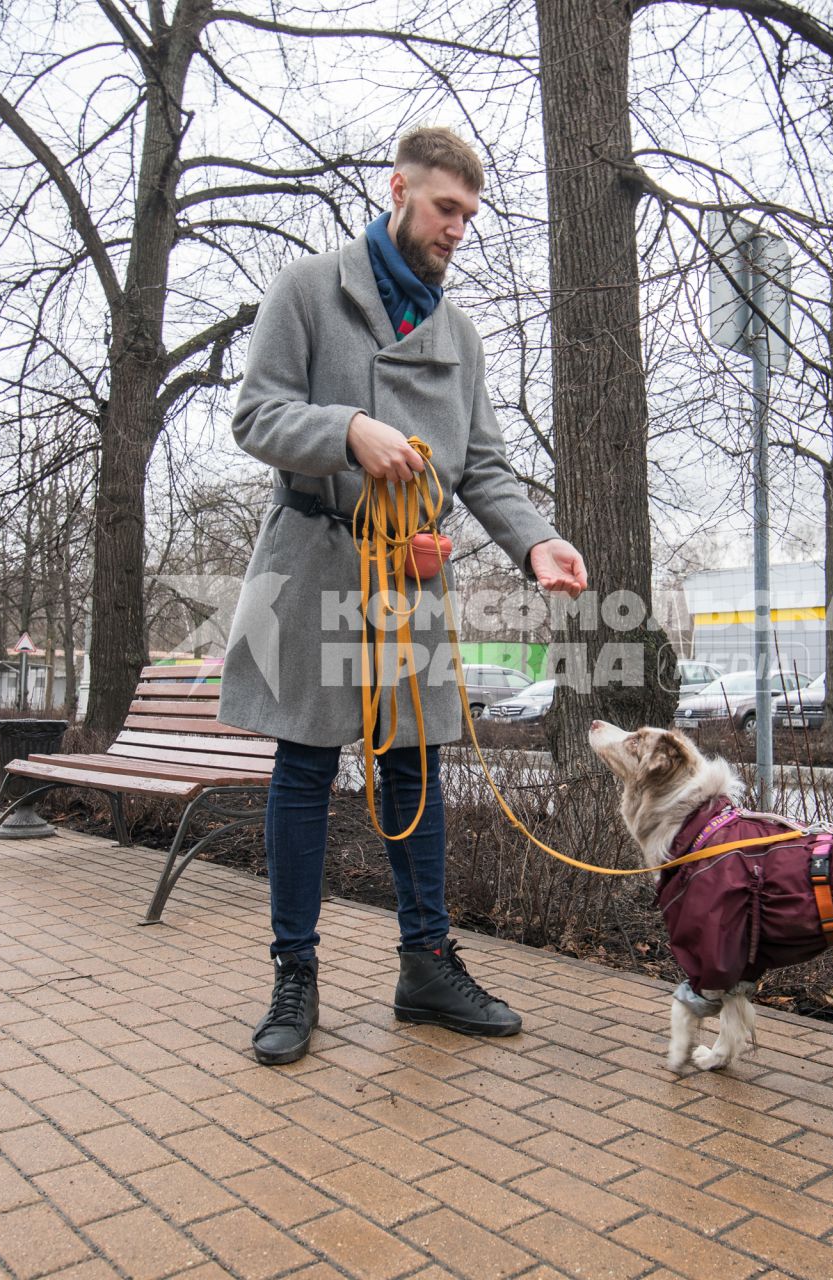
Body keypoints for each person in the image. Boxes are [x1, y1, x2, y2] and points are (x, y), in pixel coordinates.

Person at [221, 127, 588, 1066]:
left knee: (416, 768)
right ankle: (293, 976)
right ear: (399, 192)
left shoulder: (458, 335)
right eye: (443, 209)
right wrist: (348, 430)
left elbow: (488, 468)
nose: (457, 229)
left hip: (414, 579)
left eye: (469, 214)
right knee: (305, 769)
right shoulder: (309, 291)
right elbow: (255, 416)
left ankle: (426, 966)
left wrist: (537, 541)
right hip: (315, 562)